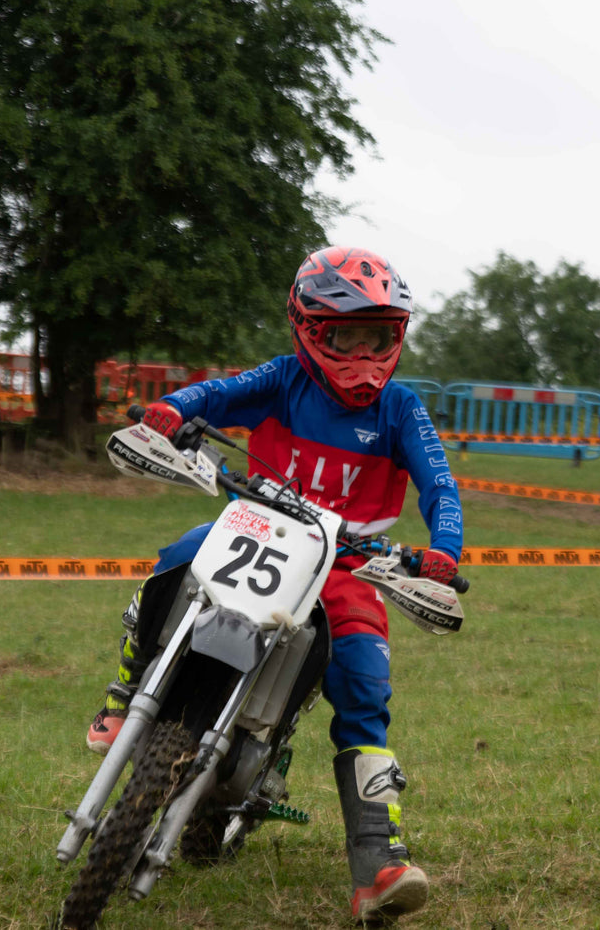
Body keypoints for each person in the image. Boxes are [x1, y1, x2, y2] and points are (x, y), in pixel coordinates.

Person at [87, 246, 464, 924]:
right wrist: (173, 409)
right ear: (309, 327)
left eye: (378, 335)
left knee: (364, 684)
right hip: (253, 530)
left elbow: (439, 482)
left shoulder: (401, 410)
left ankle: (377, 860)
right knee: (178, 559)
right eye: (347, 334)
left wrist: (443, 551)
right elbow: (217, 394)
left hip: (348, 566)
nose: (363, 351)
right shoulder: (283, 379)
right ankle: (124, 690)